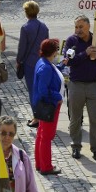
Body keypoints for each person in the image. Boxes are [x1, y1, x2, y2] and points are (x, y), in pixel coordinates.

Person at [64, 15, 96, 161]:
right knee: (75, 118)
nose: (78, 30)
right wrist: (84, 54)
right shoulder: (71, 41)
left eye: (81, 27)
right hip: (76, 84)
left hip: (94, 85)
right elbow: (68, 62)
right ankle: (76, 146)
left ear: (88, 26)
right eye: (76, 27)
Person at [32, 39, 63, 176]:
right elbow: (43, 90)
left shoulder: (43, 62)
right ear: (54, 51)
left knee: (41, 134)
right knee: (46, 136)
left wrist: (62, 66)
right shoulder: (46, 67)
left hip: (43, 104)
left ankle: (40, 164)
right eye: (57, 49)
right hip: (49, 105)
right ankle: (46, 166)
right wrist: (58, 96)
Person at [16, 0, 49, 126]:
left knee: (32, 91)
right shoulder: (44, 26)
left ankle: (36, 117)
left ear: (26, 12)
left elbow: (22, 47)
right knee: (41, 89)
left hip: (30, 64)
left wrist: (19, 61)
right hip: (42, 62)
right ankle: (43, 115)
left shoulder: (25, 28)